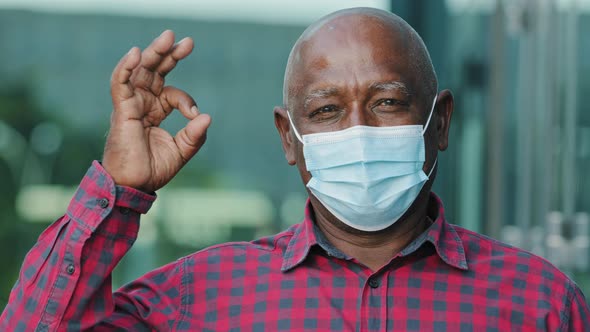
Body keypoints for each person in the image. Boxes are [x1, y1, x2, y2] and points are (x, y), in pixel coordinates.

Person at [1, 7, 588, 331]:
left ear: (440, 122)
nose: (357, 130)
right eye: (327, 111)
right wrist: (119, 189)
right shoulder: (197, 300)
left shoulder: (540, 304)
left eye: (386, 102)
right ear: (290, 138)